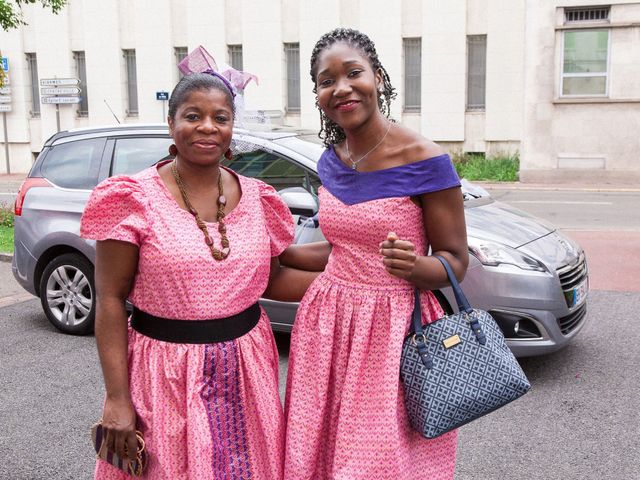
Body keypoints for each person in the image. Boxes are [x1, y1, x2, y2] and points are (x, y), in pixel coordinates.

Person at [81, 71, 313, 479]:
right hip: (164, 373)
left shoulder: (260, 199)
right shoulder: (131, 198)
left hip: (246, 371)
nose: (207, 127)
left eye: (220, 118)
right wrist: (117, 398)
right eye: (193, 116)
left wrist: (354, 279)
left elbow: (270, 281)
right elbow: (111, 299)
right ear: (171, 124)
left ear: (230, 128)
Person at [281, 28, 469, 479]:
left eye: (353, 73)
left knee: (375, 460)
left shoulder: (425, 159)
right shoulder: (331, 160)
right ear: (319, 95)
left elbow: (455, 260)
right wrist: (282, 253)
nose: (341, 87)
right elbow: (343, 249)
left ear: (378, 78)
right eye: (327, 81)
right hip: (327, 324)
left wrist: (419, 266)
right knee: (321, 447)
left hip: (393, 332)